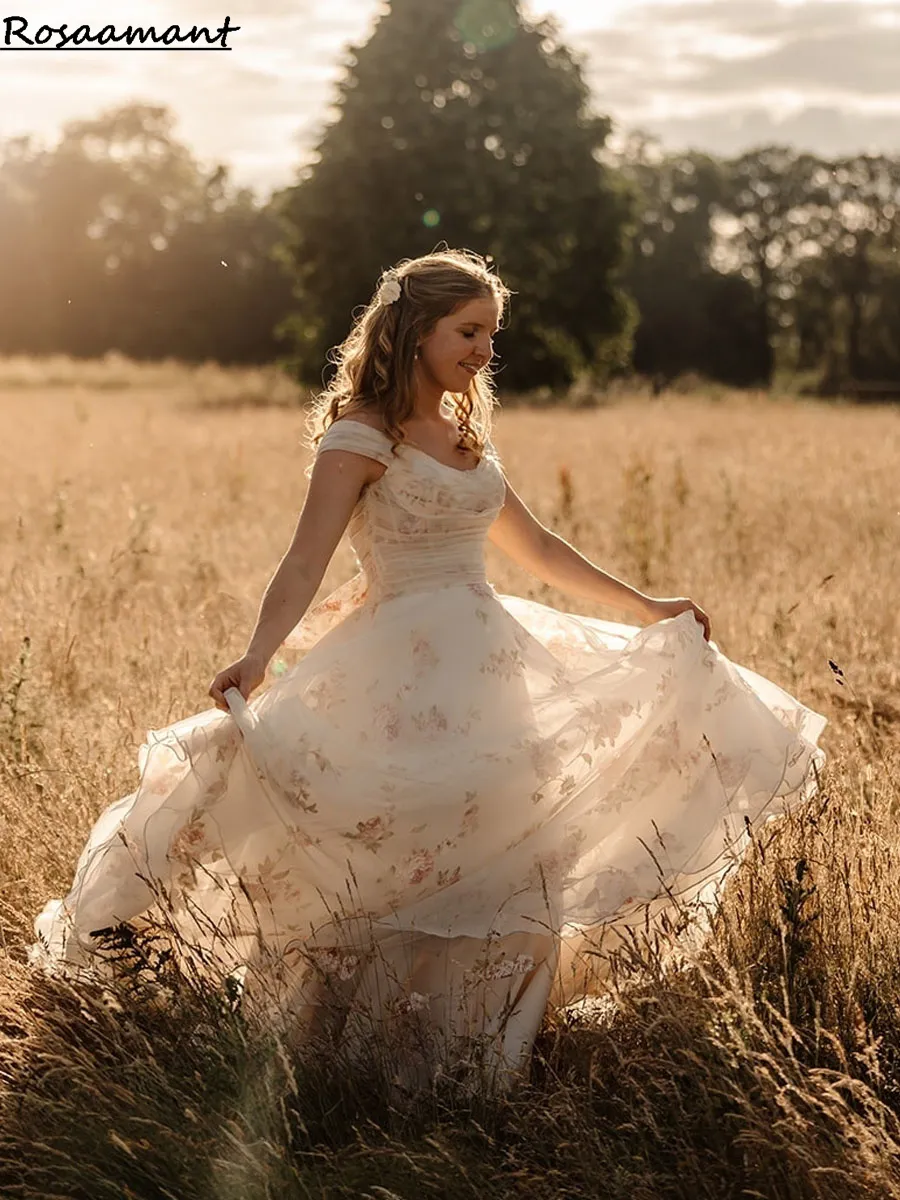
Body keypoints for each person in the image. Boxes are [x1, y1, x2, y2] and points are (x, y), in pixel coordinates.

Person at [31, 248, 826, 1094]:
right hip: (398, 671)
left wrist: (649, 607)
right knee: (403, 843)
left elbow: (539, 549)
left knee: (514, 837)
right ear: (416, 329)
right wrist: (258, 657)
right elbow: (305, 561)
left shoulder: (464, 434)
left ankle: (484, 1061)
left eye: (492, 333)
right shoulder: (360, 435)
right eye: (469, 331)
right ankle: (368, 1060)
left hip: (489, 657)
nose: (485, 349)